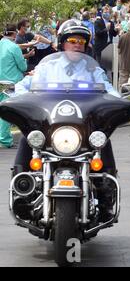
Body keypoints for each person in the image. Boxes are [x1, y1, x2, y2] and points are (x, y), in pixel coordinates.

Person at [13, 19, 120, 220]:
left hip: (83, 127)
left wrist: (119, 101)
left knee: (102, 139)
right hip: (50, 125)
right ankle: (22, 191)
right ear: (63, 43)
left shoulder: (93, 71)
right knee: (30, 137)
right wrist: (18, 97)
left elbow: (109, 89)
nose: (77, 44)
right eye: (72, 40)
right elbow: (24, 85)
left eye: (81, 41)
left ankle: (106, 195)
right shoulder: (47, 68)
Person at [0, 24, 28, 148]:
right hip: (10, 82)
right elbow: (23, 67)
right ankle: (4, 140)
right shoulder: (14, 47)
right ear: (14, 34)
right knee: (6, 111)